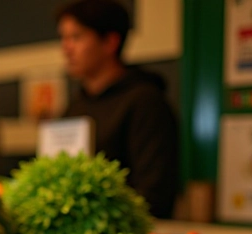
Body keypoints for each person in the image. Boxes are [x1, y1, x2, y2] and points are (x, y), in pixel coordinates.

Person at [57, 0, 179, 219]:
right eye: (63, 38)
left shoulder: (145, 101)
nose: (66, 48)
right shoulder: (76, 106)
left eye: (76, 37)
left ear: (110, 42)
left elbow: (155, 194)